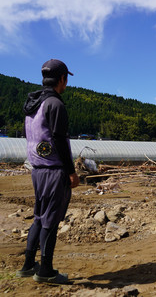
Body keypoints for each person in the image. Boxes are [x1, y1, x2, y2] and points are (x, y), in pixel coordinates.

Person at [16, 59, 79, 284]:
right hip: (54, 171)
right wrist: (71, 172)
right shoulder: (55, 104)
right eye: (66, 79)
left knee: (38, 218)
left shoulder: (33, 105)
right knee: (50, 221)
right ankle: (46, 271)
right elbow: (60, 140)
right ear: (62, 78)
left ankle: (27, 265)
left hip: (37, 170)